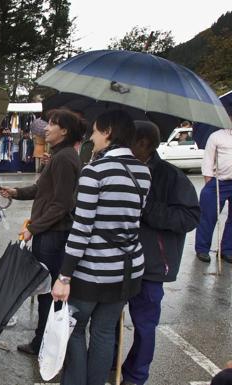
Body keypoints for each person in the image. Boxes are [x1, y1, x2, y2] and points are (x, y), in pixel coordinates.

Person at [51, 110, 151, 385]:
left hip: (93, 269)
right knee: (105, 332)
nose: (91, 137)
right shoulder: (143, 172)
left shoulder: (94, 171)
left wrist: (64, 277)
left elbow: (82, 228)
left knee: (75, 328)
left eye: (94, 131)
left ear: (107, 132)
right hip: (127, 270)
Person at [119, 121, 200, 385]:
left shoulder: (172, 176)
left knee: (144, 326)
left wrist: (146, 207)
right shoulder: (120, 169)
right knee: (108, 322)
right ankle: (108, 365)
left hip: (152, 266)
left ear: (144, 143)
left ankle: (135, 376)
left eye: (128, 140)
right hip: (117, 262)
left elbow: (189, 217)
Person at [0, 108, 84, 355]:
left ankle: (44, 344)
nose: (45, 128)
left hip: (52, 236)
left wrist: (32, 229)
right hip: (49, 233)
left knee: (47, 291)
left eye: (51, 125)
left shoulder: (64, 158)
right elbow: (42, 190)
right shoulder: (59, 156)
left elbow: (62, 204)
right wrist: (16, 192)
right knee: (45, 290)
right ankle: (44, 341)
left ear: (64, 131)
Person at [195, 125, 232, 263]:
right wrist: (208, 180)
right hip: (218, 181)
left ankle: (227, 250)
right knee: (208, 216)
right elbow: (208, 160)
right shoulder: (217, 136)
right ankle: (202, 249)